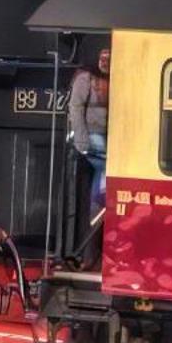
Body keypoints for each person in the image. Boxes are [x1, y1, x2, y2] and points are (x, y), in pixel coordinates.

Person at [68, 44, 111, 254]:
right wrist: (82, 141)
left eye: (109, 57)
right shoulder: (85, 78)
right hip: (93, 138)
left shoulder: (118, 77)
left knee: (104, 176)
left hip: (111, 137)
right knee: (106, 171)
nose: (105, 61)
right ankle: (97, 214)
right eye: (103, 56)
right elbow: (75, 109)